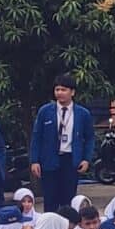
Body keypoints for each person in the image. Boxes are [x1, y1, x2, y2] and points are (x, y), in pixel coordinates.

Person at [30, 79, 94, 215]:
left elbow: (89, 138)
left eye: (63, 90)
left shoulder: (83, 114)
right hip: (49, 160)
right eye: (57, 90)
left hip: (71, 160)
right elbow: (36, 137)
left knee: (68, 199)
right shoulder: (45, 111)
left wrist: (86, 159)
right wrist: (34, 160)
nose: (60, 93)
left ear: (72, 92)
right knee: (50, 199)